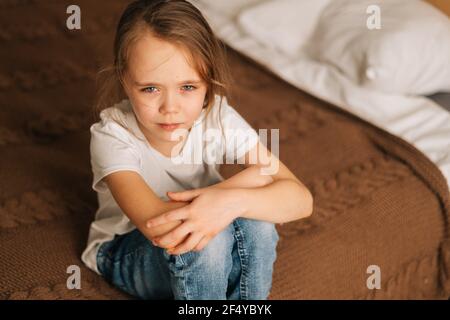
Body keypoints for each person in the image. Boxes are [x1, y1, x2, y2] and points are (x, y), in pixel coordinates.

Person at [81, 0, 313, 300]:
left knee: (257, 221)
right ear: (125, 80)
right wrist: (244, 184)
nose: (170, 108)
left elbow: (301, 200)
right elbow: (159, 227)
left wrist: (233, 202)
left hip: (207, 230)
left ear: (208, 83)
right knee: (208, 239)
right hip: (124, 250)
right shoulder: (112, 134)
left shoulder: (217, 116)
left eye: (188, 87)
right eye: (150, 88)